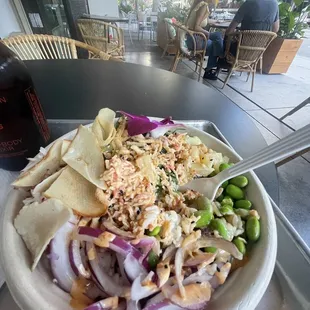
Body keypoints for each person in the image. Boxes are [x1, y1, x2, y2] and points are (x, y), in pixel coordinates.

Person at [185, 0, 224, 80]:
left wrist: (215, 21)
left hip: (190, 38)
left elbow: (204, 20)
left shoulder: (199, 4)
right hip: (194, 41)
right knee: (216, 41)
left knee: (217, 39)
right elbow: (196, 27)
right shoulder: (204, 6)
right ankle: (219, 60)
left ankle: (218, 60)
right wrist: (207, 34)